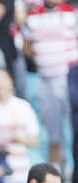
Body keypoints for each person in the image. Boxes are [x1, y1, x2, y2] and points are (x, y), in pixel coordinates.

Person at [22, 0, 78, 171]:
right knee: (53, 133)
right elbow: (26, 46)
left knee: (73, 130)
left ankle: (73, 175)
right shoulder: (32, 16)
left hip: (69, 79)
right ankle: (56, 175)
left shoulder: (72, 13)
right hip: (45, 80)